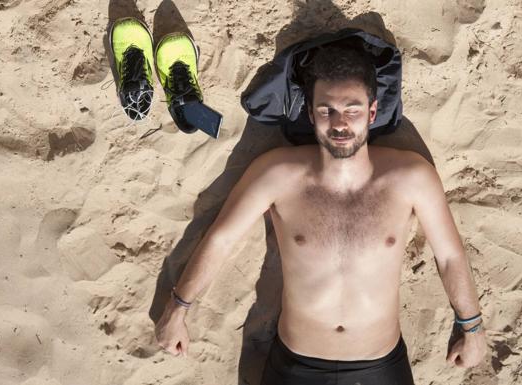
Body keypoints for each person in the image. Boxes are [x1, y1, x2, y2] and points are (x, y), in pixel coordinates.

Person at [154, 43, 487, 384]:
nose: (340, 124)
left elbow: (449, 256)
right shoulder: (278, 173)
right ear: (311, 114)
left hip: (379, 364)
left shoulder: (411, 178)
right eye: (326, 110)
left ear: (372, 112)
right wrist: (176, 311)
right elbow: (221, 240)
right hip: (296, 364)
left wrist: (472, 327)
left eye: (352, 110)